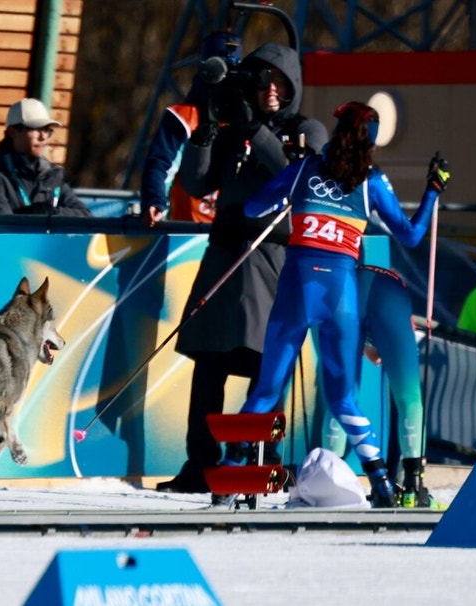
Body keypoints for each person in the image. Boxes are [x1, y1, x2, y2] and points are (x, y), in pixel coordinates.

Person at [226, 101, 447, 508]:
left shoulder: (303, 170)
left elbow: (252, 207)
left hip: (295, 291)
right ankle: (380, 484)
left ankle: (228, 478)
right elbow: (412, 236)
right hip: (341, 295)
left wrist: (288, 182)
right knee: (344, 397)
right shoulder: (371, 181)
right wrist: (432, 191)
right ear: (372, 143)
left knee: (266, 390)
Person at [156, 42, 329, 494]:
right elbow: (195, 183)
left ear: (293, 85)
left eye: (281, 81)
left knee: (265, 364)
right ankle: (200, 463)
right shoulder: (234, 127)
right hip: (224, 257)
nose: (272, 89)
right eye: (263, 79)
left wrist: (257, 128)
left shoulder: (305, 128)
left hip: (271, 259)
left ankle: (261, 461)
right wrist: (206, 130)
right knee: (208, 365)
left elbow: (298, 176)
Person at [323, 264, 434, 507]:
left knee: (341, 396)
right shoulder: (392, 291)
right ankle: (413, 487)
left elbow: (373, 353)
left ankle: (326, 480)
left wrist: (368, 344)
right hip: (388, 290)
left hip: (346, 285)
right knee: (409, 396)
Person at [140, 33, 238, 227]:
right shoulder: (184, 117)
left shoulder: (246, 121)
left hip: (231, 233)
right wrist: (155, 201)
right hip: (187, 232)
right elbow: (160, 164)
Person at [0, 98, 92, 217]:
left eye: (46, 130)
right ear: (13, 132)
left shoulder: (53, 177)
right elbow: (2, 229)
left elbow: (85, 216)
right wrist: (37, 217)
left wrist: (50, 213)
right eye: (35, 128)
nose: (43, 136)